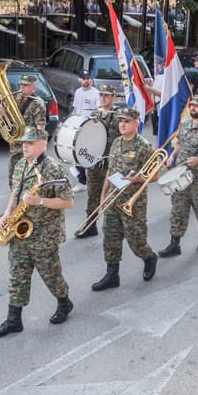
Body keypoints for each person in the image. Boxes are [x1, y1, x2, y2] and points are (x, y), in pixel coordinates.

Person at [0, 127, 75, 338]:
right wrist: (6, 214)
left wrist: (40, 201)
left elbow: (68, 202)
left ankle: (64, 302)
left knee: (51, 275)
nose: (24, 146)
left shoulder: (53, 169)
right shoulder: (20, 164)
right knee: (17, 275)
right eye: (23, 142)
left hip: (44, 234)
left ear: (42, 144)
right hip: (20, 231)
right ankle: (13, 320)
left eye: (29, 142)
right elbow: (14, 192)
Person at [91, 108, 159, 291]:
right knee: (110, 237)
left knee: (136, 241)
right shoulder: (116, 143)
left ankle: (149, 257)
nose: (122, 124)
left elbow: (154, 177)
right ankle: (112, 274)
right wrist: (103, 195)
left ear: (136, 124)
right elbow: (110, 172)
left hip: (133, 203)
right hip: (113, 199)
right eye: (121, 120)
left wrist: (136, 179)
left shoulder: (144, 146)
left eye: (127, 121)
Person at [160, 97, 198, 256]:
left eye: (196, 106)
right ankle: (175, 244)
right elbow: (180, 143)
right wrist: (172, 156)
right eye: (191, 105)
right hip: (180, 178)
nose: (193, 108)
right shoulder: (185, 124)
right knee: (178, 210)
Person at [76, 84, 118, 238]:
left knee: (112, 198)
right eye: (101, 95)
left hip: (112, 164)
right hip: (95, 163)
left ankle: (112, 229)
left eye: (107, 95)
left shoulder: (119, 115)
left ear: (113, 96)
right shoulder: (94, 114)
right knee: (93, 196)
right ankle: (90, 226)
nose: (103, 98)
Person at [1, 74, 48, 181]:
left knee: (27, 178)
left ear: (33, 87)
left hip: (28, 147)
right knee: (13, 176)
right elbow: (9, 117)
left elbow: (40, 128)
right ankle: (16, 196)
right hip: (15, 146)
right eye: (21, 85)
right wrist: (0, 108)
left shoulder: (37, 103)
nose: (22, 87)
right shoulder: (17, 97)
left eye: (25, 85)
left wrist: (38, 149)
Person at [70, 71, 100, 191]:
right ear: (80, 80)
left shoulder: (96, 93)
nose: (86, 80)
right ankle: (82, 182)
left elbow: (98, 110)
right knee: (77, 154)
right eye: (84, 78)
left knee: (90, 154)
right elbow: (76, 109)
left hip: (91, 127)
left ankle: (93, 182)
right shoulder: (78, 92)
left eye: (88, 78)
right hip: (79, 127)